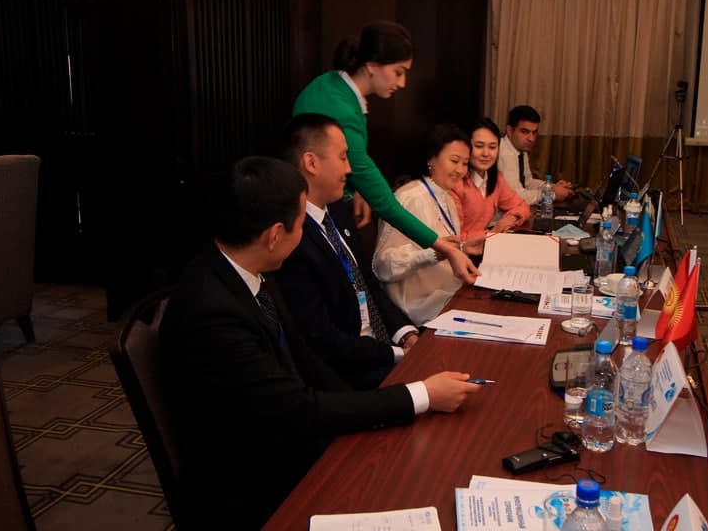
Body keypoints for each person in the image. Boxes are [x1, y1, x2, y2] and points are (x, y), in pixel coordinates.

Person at [160, 156, 480, 530]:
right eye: (301, 223)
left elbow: (305, 358)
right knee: (414, 481)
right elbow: (295, 409)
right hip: (248, 481)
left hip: (284, 431)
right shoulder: (213, 312)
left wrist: (387, 404)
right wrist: (420, 395)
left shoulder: (247, 265)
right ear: (274, 235)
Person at [293, 21, 478, 284]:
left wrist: (358, 188)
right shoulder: (343, 111)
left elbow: (352, 158)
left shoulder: (333, 83)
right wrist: (445, 247)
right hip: (312, 212)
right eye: (398, 72)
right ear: (372, 66)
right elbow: (386, 204)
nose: (402, 83)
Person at [273, 113, 420, 389]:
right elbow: (320, 336)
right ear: (311, 163)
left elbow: (368, 283)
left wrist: (406, 334)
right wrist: (396, 354)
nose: (349, 169)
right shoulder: (292, 237)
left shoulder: (339, 210)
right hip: (349, 375)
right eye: (342, 157)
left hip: (383, 351)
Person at [373, 124, 470, 325]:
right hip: (419, 306)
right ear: (431, 159)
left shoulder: (448, 198)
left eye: (465, 163)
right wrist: (434, 253)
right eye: (454, 161)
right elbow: (382, 266)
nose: (460, 170)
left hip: (450, 294)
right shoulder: (409, 198)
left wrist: (464, 247)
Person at [450, 117, 530, 245]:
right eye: (479, 146)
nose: (486, 153)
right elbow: (453, 237)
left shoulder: (496, 178)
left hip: (486, 245)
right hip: (461, 251)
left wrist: (510, 218)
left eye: (492, 147)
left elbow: (522, 206)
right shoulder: (455, 184)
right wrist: (493, 232)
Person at [497, 104, 573, 205]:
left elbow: (528, 183)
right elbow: (516, 196)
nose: (531, 139)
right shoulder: (504, 153)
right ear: (510, 131)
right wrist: (551, 194)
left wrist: (552, 187)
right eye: (525, 132)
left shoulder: (520, 149)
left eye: (534, 132)